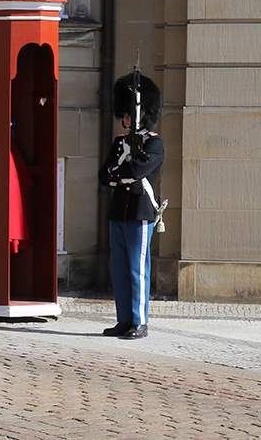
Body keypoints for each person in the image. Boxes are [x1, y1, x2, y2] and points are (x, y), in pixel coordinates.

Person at [98, 70, 164, 340]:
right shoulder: (119, 143)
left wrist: (121, 171)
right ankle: (123, 320)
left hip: (140, 214)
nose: (125, 119)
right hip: (119, 212)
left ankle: (140, 322)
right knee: (119, 269)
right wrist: (121, 167)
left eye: (128, 113)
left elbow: (136, 171)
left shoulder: (155, 143)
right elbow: (105, 176)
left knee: (137, 270)